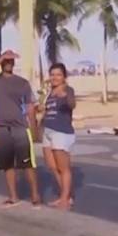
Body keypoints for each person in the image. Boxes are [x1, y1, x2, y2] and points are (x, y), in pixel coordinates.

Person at [0, 51, 41, 207]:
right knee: (7, 164)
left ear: (14, 64)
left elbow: (30, 107)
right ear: (1, 63)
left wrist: (34, 128)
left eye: (10, 61)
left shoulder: (22, 83)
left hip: (20, 127)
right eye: (6, 61)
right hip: (1, 127)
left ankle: (35, 195)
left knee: (27, 163)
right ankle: (13, 196)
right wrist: (2, 57)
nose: (8, 63)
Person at [41, 64, 76, 210]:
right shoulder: (50, 92)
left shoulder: (67, 90)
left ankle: (65, 199)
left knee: (64, 168)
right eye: (52, 74)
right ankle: (66, 195)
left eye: (58, 74)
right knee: (52, 166)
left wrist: (65, 97)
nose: (55, 77)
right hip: (48, 131)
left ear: (64, 77)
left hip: (61, 132)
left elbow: (72, 104)